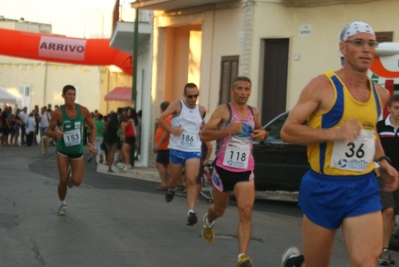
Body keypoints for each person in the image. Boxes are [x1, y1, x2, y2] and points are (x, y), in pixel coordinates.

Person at [279, 21, 399, 267]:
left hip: (363, 186)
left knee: (367, 261)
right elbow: (288, 131)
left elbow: (369, 132)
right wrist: (334, 134)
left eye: (371, 43)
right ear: (343, 48)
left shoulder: (380, 94)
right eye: (358, 43)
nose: (366, 49)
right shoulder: (322, 86)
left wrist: (383, 160)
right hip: (324, 187)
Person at [199, 76, 267, 267]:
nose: (243, 92)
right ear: (232, 91)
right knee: (219, 210)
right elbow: (204, 134)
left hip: (245, 170)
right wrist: (228, 130)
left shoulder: (254, 112)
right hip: (223, 170)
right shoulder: (224, 111)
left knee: (245, 212)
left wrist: (263, 134)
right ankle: (209, 220)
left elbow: (261, 131)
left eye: (247, 89)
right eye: (239, 89)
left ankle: (242, 257)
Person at [157, 82, 206, 226]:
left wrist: (203, 130)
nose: (193, 99)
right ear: (184, 95)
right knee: (175, 181)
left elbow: (200, 126)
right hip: (177, 149)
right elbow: (160, 120)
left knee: (191, 180)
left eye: (196, 96)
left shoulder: (201, 109)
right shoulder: (176, 105)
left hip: (193, 149)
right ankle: (172, 189)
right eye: (190, 96)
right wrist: (173, 131)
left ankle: (191, 211)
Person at [46, 85, 96, 216]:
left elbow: (93, 127)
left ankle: (70, 176)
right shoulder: (58, 112)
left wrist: (91, 142)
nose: (71, 97)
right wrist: (55, 134)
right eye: (69, 94)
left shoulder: (83, 111)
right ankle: (62, 203)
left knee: (76, 182)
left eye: (74, 94)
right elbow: (48, 131)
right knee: (63, 180)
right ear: (63, 96)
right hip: (62, 149)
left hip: (77, 150)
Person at [375, 94, 399, 265]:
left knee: (393, 215)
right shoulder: (380, 127)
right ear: (389, 108)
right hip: (384, 176)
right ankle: (383, 251)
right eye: (396, 108)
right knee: (388, 210)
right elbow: (373, 149)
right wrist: (377, 169)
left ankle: (385, 250)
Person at [153, 102, 172, 191]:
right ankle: (167, 183)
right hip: (166, 146)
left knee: (159, 164)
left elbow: (166, 131)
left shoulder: (167, 117)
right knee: (166, 165)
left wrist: (158, 144)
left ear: (162, 109)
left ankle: (165, 183)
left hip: (165, 146)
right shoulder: (169, 117)